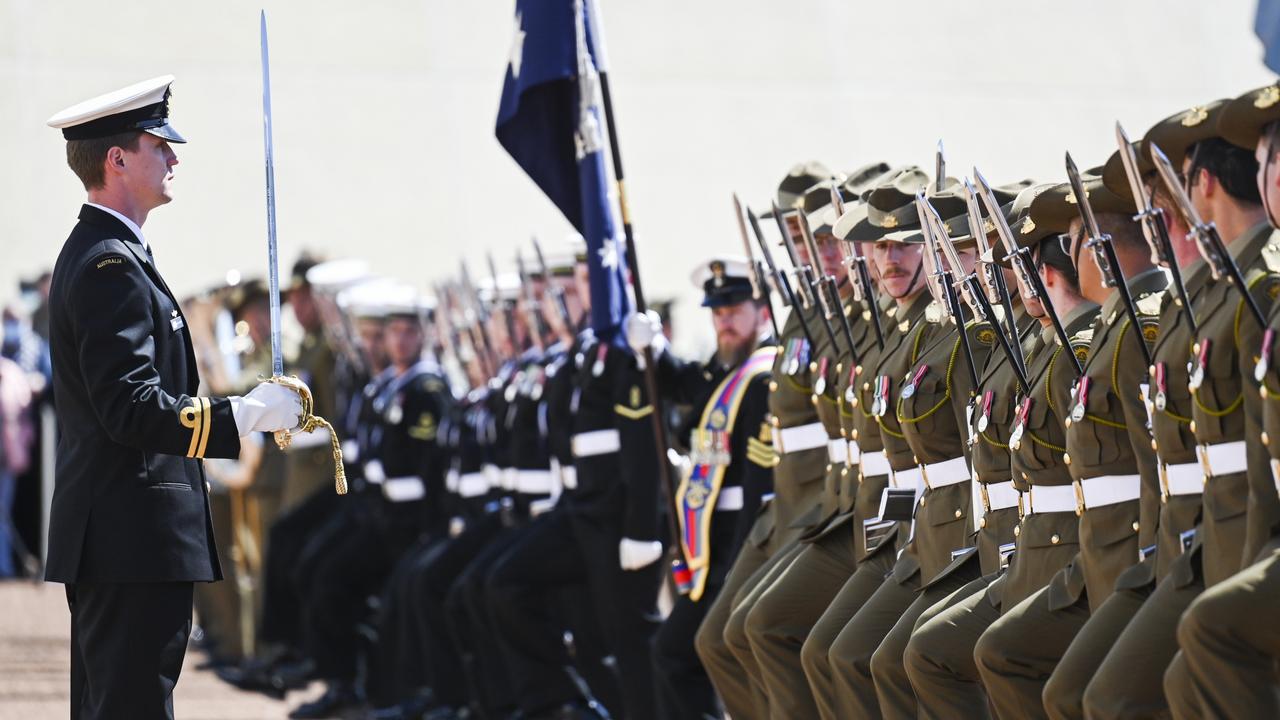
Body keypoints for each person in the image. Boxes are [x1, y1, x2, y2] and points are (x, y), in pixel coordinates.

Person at [43, 75, 304, 719]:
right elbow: (131, 407)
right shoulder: (110, 265)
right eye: (161, 144)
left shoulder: (113, 254)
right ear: (118, 159)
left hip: (123, 534)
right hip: (130, 535)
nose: (174, 159)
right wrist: (240, 415)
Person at [640, 256, 776, 720]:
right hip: (710, 550)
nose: (726, 323)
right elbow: (689, 393)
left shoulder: (761, 378)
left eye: (735, 311)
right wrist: (654, 350)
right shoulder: (725, 373)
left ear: (763, 311)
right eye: (718, 314)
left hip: (742, 547)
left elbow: (762, 489)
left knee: (706, 653)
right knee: (674, 651)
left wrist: (741, 566)